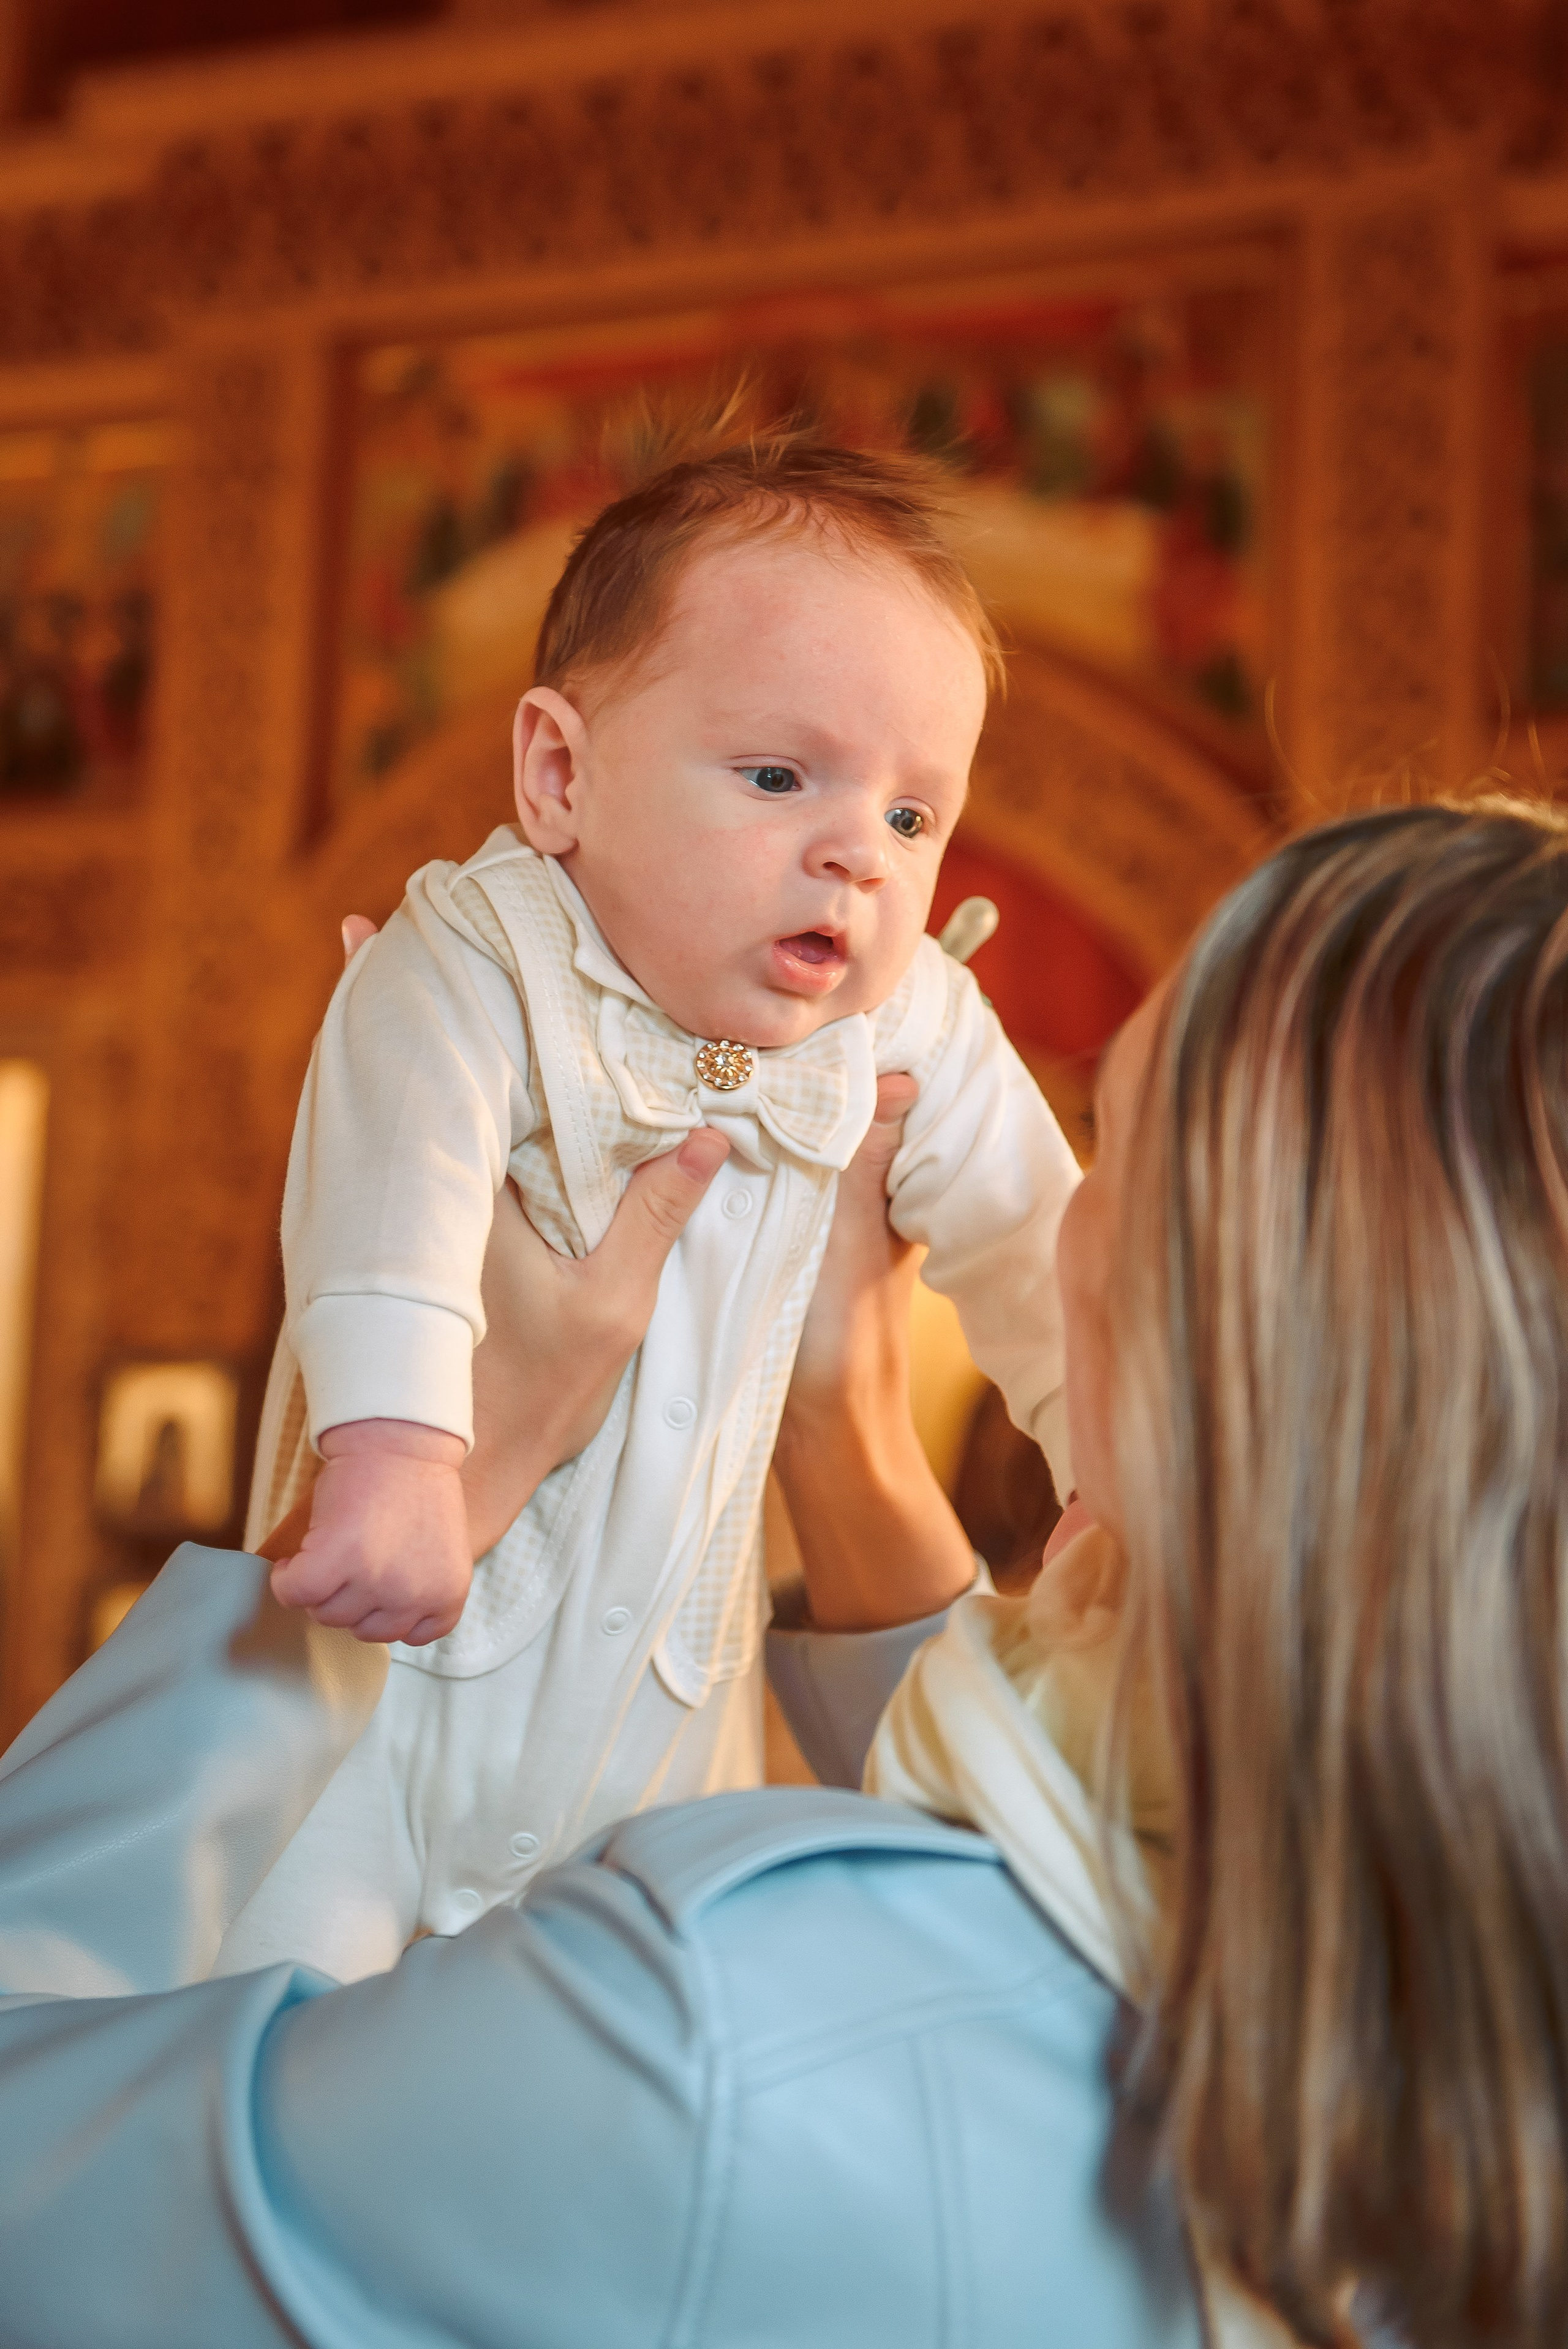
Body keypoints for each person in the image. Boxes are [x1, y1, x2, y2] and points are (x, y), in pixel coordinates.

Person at [4, 794, 1566, 2349]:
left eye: (1109, 1161)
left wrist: (445, 1484)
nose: (1055, 1225)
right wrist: (844, 1423)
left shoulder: (699, 2029)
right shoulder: (1466, 2040)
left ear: (1219, 1343)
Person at [236, 432, 1080, 1975]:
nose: (860, 856)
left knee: (627, 2014)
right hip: (388, 1687)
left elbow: (1041, 1242)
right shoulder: (475, 952)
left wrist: (1114, 1464)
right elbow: (394, 1190)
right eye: (778, 775)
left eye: (912, 819)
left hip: (663, 1715)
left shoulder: (909, 1022)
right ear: (560, 774)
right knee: (273, 1995)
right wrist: (398, 1450)